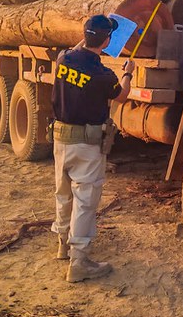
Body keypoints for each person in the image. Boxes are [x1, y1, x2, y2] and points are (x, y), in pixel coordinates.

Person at [50, 14, 135, 283]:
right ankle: (79, 262)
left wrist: (93, 35)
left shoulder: (64, 58)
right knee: (85, 201)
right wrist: (128, 73)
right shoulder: (103, 75)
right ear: (108, 40)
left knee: (63, 194)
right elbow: (122, 95)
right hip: (86, 144)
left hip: (61, 139)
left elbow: (79, 48)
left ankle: (63, 246)